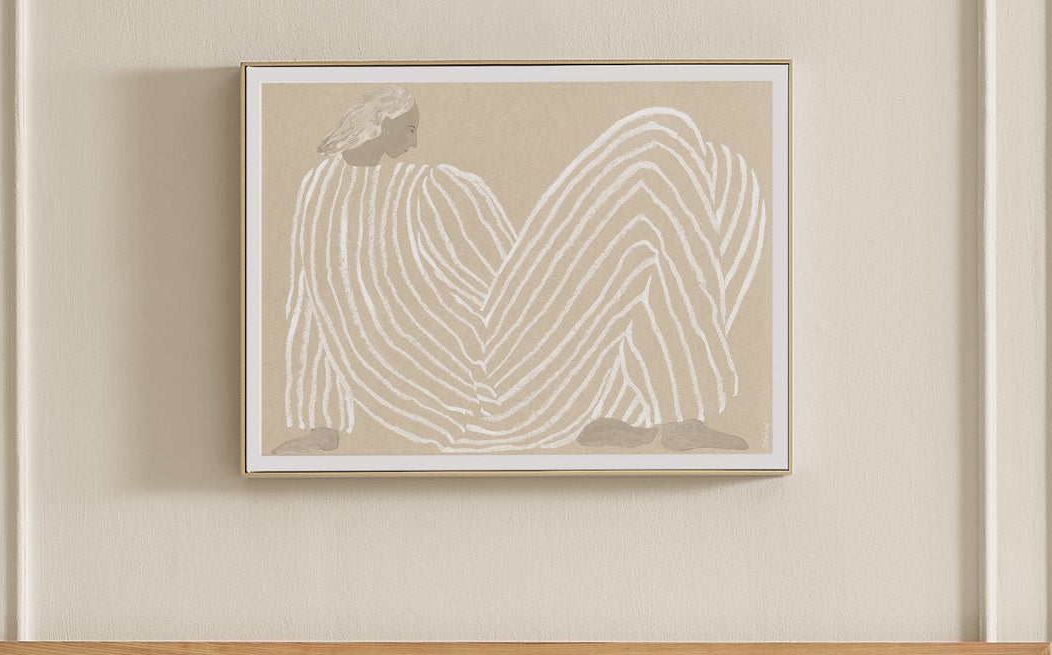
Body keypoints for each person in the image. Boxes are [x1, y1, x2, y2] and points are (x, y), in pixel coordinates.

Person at [275, 86, 767, 456]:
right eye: (409, 129)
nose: (416, 140)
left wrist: (321, 429)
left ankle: (628, 408)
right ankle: (680, 416)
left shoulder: (315, 194)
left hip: (453, 409)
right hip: (498, 395)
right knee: (665, 138)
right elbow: (517, 290)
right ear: (379, 125)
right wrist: (590, 269)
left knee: (717, 171)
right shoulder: (435, 189)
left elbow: (308, 312)